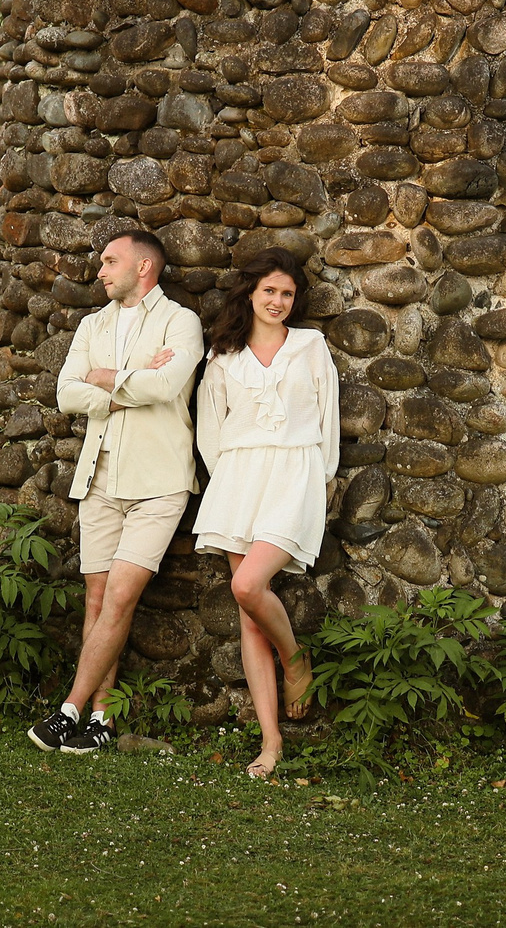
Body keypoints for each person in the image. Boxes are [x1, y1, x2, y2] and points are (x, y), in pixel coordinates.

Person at [28, 229, 204, 756]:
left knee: (122, 598)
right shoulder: (93, 324)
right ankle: (101, 719)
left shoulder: (181, 321)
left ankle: (69, 709)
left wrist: (104, 378)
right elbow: (66, 393)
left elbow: (166, 386)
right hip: (99, 477)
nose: (100, 270)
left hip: (159, 482)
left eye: (110, 261)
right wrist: (128, 383)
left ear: (144, 266)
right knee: (98, 599)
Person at [193, 247, 339, 780]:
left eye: (287, 293)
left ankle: (295, 660)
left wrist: (320, 477)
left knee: (248, 586)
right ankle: (271, 743)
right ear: (250, 293)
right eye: (269, 291)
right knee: (248, 617)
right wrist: (231, 479)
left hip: (295, 475)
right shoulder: (222, 356)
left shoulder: (310, 346)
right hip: (238, 481)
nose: (278, 301)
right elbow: (210, 432)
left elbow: (328, 420)